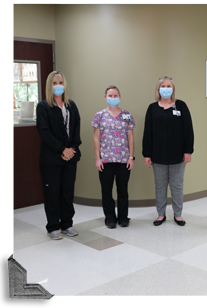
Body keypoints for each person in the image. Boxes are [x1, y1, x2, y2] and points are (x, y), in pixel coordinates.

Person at [142, 76, 194, 226]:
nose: (166, 89)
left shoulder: (181, 106)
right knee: (160, 186)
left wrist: (188, 151)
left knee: (177, 185)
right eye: (163, 86)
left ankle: (178, 215)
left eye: (168, 86)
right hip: (158, 155)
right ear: (158, 89)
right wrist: (147, 154)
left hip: (178, 154)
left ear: (173, 89)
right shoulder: (152, 108)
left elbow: (188, 130)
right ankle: (160, 214)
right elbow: (147, 133)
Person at [36, 71, 81, 240]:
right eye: (54, 83)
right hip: (51, 159)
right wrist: (63, 149)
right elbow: (44, 132)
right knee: (52, 192)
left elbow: (76, 129)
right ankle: (53, 226)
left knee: (67, 192)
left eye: (60, 82)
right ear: (50, 86)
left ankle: (67, 224)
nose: (58, 86)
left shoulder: (71, 106)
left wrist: (72, 149)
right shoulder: (43, 106)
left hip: (71, 157)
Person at [91, 85, 136, 229]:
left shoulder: (127, 115)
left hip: (123, 159)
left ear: (120, 97)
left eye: (115, 95)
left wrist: (131, 157)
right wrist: (98, 158)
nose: (113, 98)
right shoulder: (99, 116)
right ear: (105, 97)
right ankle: (110, 218)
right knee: (106, 190)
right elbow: (96, 138)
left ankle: (123, 217)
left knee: (123, 190)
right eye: (110, 95)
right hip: (106, 160)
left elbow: (131, 137)